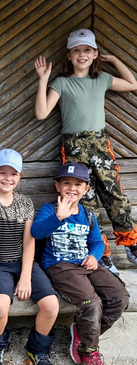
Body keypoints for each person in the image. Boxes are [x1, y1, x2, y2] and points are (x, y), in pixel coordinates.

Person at [34, 28, 137, 270]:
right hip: (74, 148)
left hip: (100, 144)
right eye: (77, 50)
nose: (82, 54)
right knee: (85, 203)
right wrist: (42, 80)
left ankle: (131, 243)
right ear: (69, 55)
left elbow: (133, 84)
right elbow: (41, 113)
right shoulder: (61, 83)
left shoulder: (101, 79)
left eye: (87, 50)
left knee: (114, 195)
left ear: (94, 54)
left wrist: (113, 60)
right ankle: (102, 255)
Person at [31, 162, 129, 365]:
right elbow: (36, 233)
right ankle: (89, 351)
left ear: (86, 189)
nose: (72, 188)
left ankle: (83, 334)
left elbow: (96, 242)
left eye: (78, 184)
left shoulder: (88, 214)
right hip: (59, 266)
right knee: (92, 303)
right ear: (58, 186)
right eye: (67, 183)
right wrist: (59, 216)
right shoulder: (49, 209)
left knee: (120, 297)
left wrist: (94, 256)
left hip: (86, 264)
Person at [0, 149, 59, 365]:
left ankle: (38, 348)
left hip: (22, 262)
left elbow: (29, 243)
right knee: (0, 305)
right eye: (2, 172)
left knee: (51, 305)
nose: (7, 178)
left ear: (19, 177)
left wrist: (26, 276)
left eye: (13, 173)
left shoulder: (25, 203)